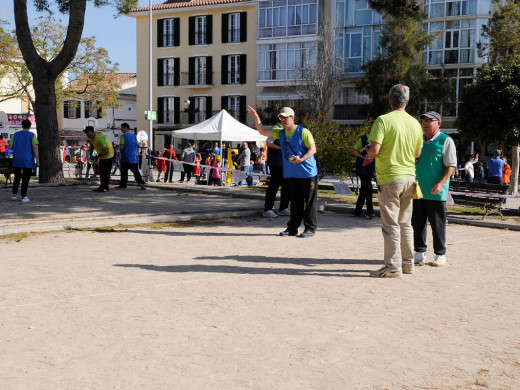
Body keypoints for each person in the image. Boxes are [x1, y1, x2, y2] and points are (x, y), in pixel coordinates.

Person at [365, 84, 423, 278]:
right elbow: (417, 153)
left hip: (390, 177)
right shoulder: (415, 123)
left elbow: (373, 152)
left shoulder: (382, 120)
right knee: (406, 223)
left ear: (389, 100)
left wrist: (366, 149)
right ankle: (408, 264)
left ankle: (392, 267)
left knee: (391, 225)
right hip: (409, 176)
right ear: (407, 101)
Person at [248, 105, 318, 238]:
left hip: (307, 172)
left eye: (285, 118)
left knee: (309, 202)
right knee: (295, 202)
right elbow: (262, 131)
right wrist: (255, 116)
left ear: (292, 118)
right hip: (292, 173)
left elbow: (313, 149)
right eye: (281, 118)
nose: (283, 120)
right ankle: (292, 228)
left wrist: (301, 159)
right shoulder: (281, 133)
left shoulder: (303, 132)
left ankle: (310, 228)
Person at [412, 111, 457, 268]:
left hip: (436, 191)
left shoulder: (445, 141)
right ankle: (419, 252)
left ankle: (440, 253)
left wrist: (441, 183)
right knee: (417, 223)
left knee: (437, 223)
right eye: (423, 120)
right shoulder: (419, 141)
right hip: (418, 189)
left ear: (439, 123)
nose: (425, 123)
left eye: (429, 120)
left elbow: (451, 165)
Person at [10, 119, 39, 202]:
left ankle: (14, 194)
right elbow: (35, 147)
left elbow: (10, 146)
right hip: (27, 159)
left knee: (17, 177)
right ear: (29, 126)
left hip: (17, 159)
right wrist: (37, 159)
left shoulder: (16, 134)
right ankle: (24, 196)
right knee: (26, 178)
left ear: (22, 126)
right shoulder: (32, 135)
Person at [262, 136, 290, 218]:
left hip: (285, 164)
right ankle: (268, 209)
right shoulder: (274, 130)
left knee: (286, 187)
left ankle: (283, 208)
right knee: (274, 186)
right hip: (276, 163)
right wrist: (281, 148)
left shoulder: (287, 132)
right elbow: (269, 144)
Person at [350, 134, 376, 218]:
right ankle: (370, 211)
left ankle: (358, 211)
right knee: (368, 187)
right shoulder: (363, 139)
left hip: (371, 166)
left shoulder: (377, 139)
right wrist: (362, 157)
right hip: (362, 166)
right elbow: (353, 150)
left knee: (365, 189)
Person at [84, 126, 114, 192]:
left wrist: (97, 156)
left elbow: (106, 150)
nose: (86, 135)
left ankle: (105, 187)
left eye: (87, 133)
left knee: (105, 173)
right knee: (101, 172)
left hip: (108, 155)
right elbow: (92, 146)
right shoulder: (91, 139)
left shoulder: (100, 138)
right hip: (102, 155)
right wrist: (91, 154)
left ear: (91, 132)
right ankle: (102, 187)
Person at [116, 122, 146, 190]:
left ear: (125, 128)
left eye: (121, 127)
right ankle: (141, 182)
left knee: (124, 172)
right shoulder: (135, 136)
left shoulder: (123, 136)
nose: (121, 129)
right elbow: (139, 145)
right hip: (134, 157)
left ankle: (123, 184)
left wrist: (120, 150)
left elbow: (121, 147)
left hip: (125, 157)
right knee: (136, 172)